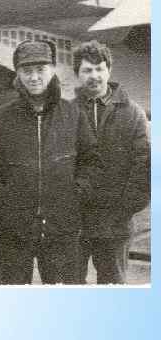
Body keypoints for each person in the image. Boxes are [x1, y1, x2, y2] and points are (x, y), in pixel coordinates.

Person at [0, 40, 98, 285]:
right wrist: (4, 203)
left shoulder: (72, 114)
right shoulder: (1, 117)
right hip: (13, 231)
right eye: (27, 71)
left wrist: (74, 195)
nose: (34, 77)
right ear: (18, 74)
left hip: (62, 230)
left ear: (52, 69)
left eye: (40, 69)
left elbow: (90, 161)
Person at [72, 40, 150, 284]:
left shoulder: (133, 113)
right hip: (76, 222)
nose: (94, 76)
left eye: (99, 69)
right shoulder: (66, 112)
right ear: (77, 74)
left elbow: (144, 164)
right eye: (87, 70)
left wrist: (126, 208)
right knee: (69, 286)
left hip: (116, 224)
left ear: (109, 70)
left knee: (113, 286)